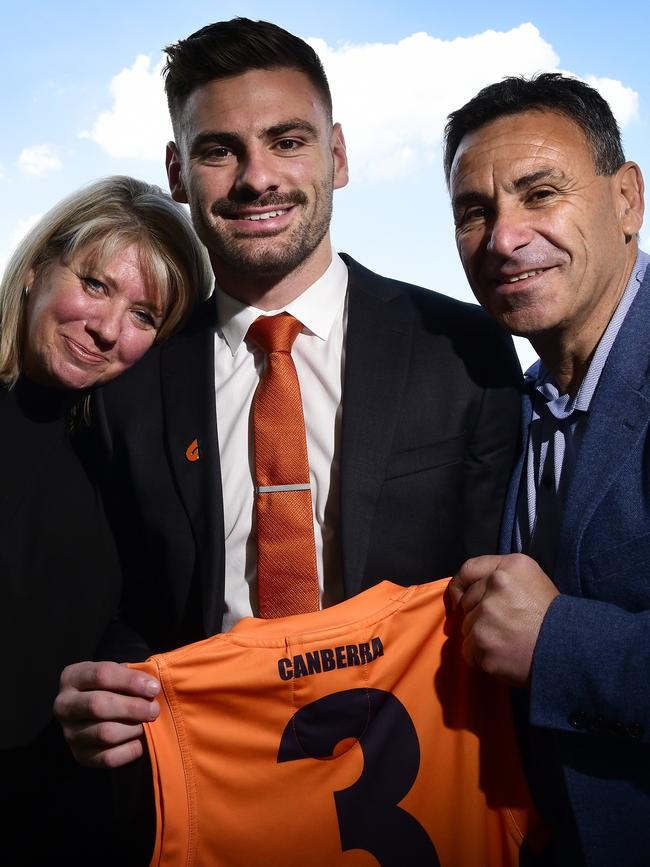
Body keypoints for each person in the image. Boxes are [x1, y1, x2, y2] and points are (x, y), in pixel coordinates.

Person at [55, 18, 521, 785]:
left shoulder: (462, 348)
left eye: (288, 141)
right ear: (177, 174)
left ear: (336, 156)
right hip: (212, 787)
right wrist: (101, 687)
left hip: (420, 786)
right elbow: (130, 604)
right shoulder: (128, 389)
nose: (257, 176)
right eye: (219, 150)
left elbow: (496, 586)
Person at [443, 73, 648, 866]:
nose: (504, 237)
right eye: (475, 212)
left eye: (540, 193)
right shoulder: (504, 403)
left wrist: (559, 643)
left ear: (626, 198)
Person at [0, 174, 212, 865]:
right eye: (94, 284)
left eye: (145, 316)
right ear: (35, 270)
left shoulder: (130, 464)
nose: (107, 329)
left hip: (73, 826)